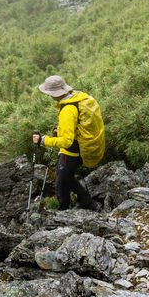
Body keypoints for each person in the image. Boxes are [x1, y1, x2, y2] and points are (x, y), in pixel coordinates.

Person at [32, 75, 99, 211]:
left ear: (53, 94)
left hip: (72, 151)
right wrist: (60, 129)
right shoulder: (76, 98)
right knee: (65, 175)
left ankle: (63, 212)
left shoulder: (67, 110)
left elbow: (67, 141)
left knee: (61, 183)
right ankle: (86, 200)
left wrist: (43, 140)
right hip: (81, 146)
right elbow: (76, 124)